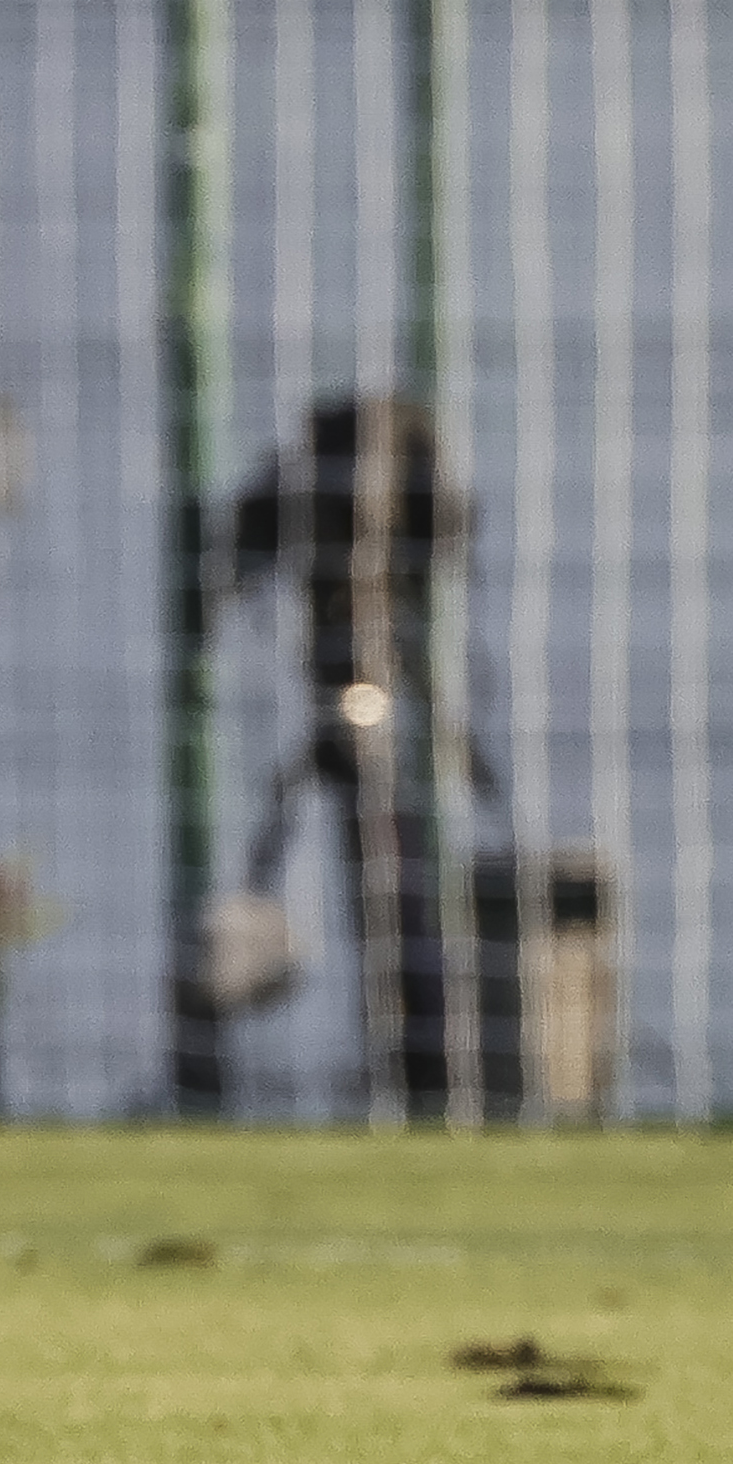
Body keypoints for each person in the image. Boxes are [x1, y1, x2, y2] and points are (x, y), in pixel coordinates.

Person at [223, 394, 495, 1110]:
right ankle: (409, 1051)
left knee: (393, 880)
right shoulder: (321, 513)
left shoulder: (377, 517)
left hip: (372, 706)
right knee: (368, 872)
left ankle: (422, 1055)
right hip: (354, 705)